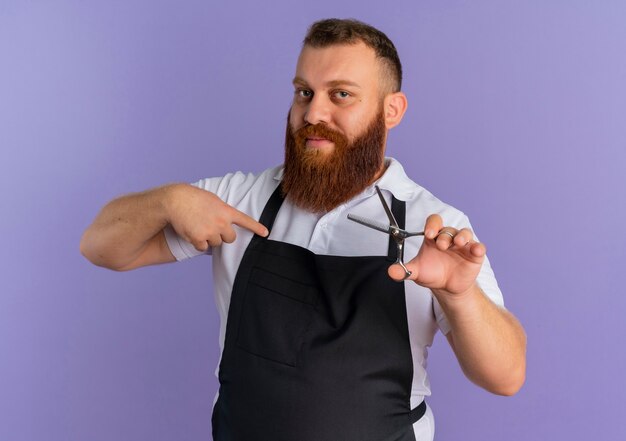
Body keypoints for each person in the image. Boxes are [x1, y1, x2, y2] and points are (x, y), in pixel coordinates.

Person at [81, 18, 526, 441]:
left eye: (341, 95)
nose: (313, 112)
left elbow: (506, 377)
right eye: (303, 92)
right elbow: (101, 247)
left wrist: (458, 293)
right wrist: (169, 199)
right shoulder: (240, 199)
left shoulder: (434, 227)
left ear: (391, 110)